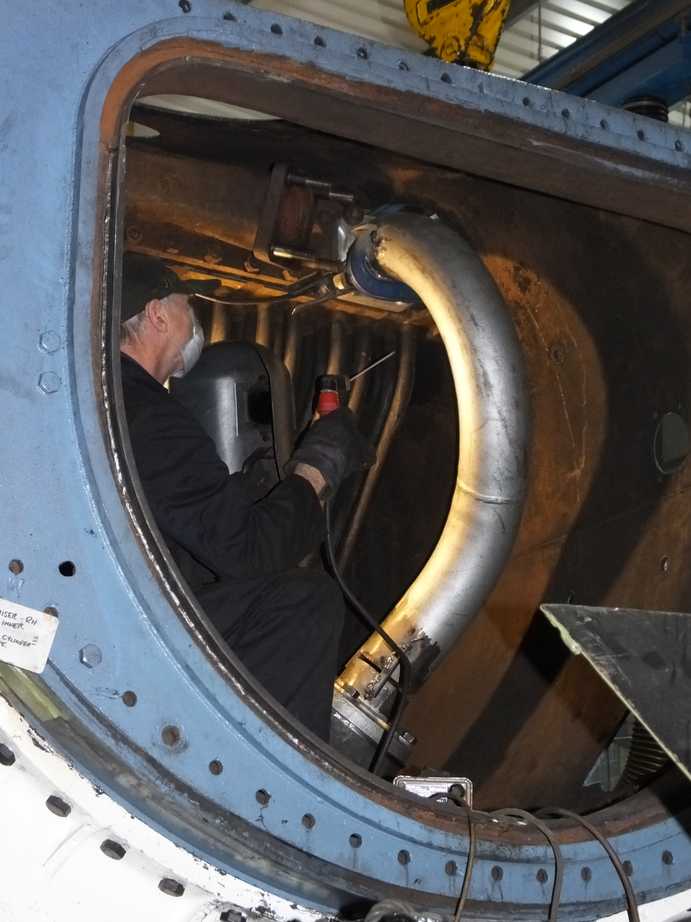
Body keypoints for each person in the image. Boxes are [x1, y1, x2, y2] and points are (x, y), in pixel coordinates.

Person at [119, 252, 374, 740]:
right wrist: (317, 467)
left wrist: (245, 494)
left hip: (119, 617)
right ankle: (276, 783)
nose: (192, 321)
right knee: (304, 600)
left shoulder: (107, 398)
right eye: (185, 305)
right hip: (134, 642)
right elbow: (247, 552)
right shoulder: (150, 416)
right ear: (157, 315)